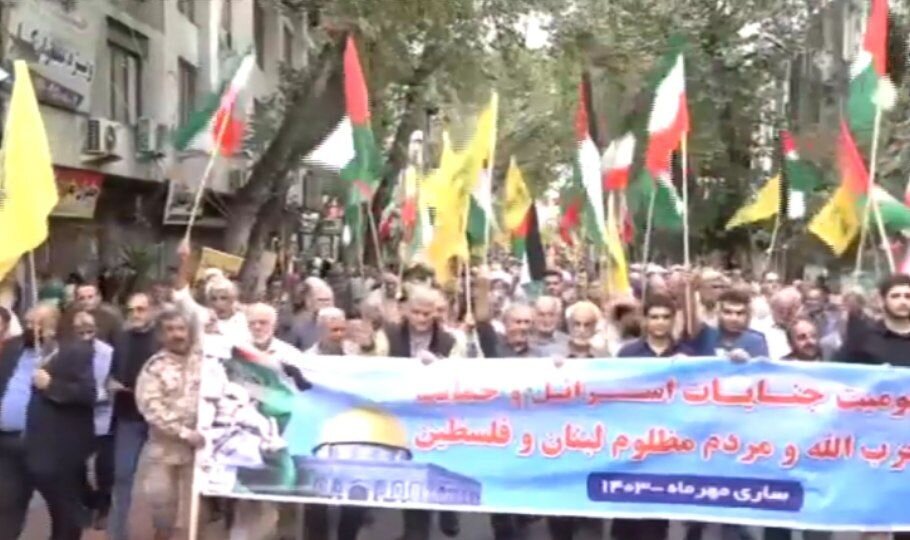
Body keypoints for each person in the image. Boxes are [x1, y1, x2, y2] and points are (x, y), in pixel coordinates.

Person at [0, 304, 97, 540]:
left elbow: (87, 394)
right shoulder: (13, 348)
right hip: (9, 445)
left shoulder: (73, 352)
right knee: (6, 505)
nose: (31, 328)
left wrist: (51, 386)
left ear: (54, 325)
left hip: (49, 446)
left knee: (63, 509)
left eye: (38, 324)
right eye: (28, 323)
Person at [135, 309, 208, 540]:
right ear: (161, 335)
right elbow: (150, 408)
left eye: (181, 329)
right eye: (170, 330)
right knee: (162, 511)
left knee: (196, 516)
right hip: (164, 451)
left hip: (200, 452)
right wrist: (184, 432)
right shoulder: (155, 367)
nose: (177, 334)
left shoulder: (206, 361)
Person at [109, 292, 161, 540]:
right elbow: (110, 370)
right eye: (131, 310)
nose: (135, 315)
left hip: (158, 420)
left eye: (141, 309)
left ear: (152, 310)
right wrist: (110, 382)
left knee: (160, 483)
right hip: (128, 414)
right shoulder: (121, 338)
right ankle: (117, 533)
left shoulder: (162, 339)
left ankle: (163, 529)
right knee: (122, 474)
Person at [73, 310, 116, 530]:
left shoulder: (108, 353)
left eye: (89, 331)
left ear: (96, 331)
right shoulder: (67, 352)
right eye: (80, 332)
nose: (85, 336)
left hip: (103, 415)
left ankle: (104, 507)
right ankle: (89, 501)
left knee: (105, 466)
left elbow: (110, 384)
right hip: (76, 416)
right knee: (73, 464)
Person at [173, 241, 250, 342]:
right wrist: (185, 260)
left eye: (224, 298)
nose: (218, 303)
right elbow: (180, 294)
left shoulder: (243, 319)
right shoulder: (200, 315)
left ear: (232, 299)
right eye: (213, 299)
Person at [688, 288, 769, 360]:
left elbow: (761, 370)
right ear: (718, 313)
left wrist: (747, 361)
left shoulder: (756, 340)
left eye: (740, 313)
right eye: (727, 312)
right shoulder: (705, 335)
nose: (734, 318)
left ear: (748, 315)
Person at [58, 283, 123, 344]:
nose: (86, 301)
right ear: (76, 301)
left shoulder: (111, 316)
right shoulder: (68, 317)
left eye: (90, 297)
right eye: (82, 298)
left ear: (99, 298)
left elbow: (120, 341)